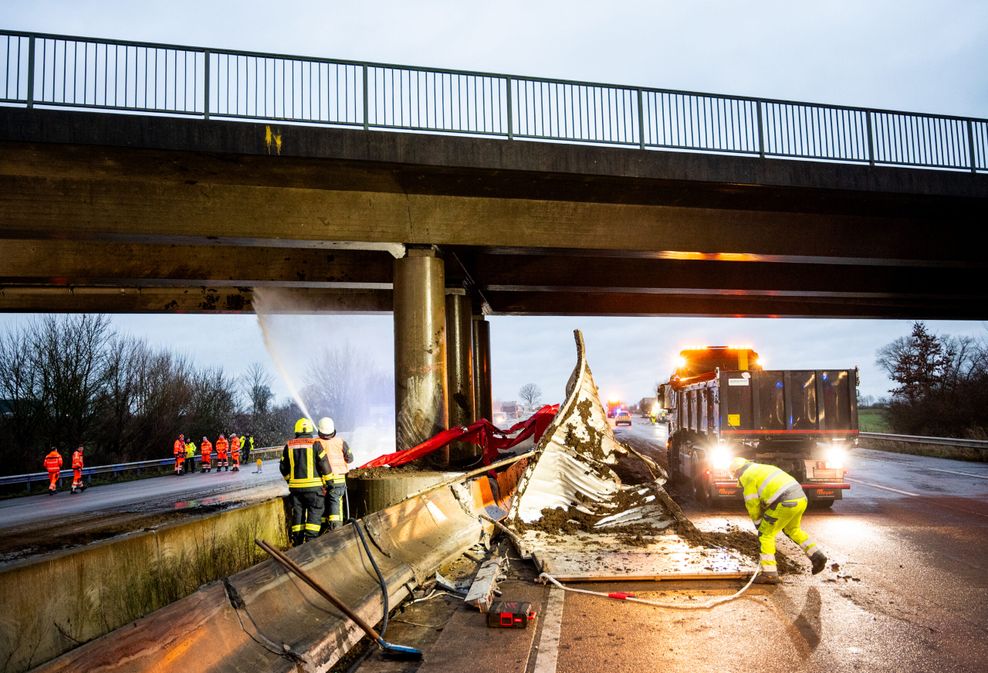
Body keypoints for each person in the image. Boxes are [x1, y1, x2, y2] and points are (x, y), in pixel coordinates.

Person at [729, 457, 828, 584]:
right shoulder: (763, 467)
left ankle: (769, 574)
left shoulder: (747, 476)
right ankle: (817, 555)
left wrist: (758, 523)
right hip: (800, 498)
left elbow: (752, 504)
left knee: (765, 535)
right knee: (792, 529)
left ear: (737, 472)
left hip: (784, 502)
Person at [280, 418, 332, 545]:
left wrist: (289, 480)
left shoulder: (289, 445)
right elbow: (324, 464)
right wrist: (329, 482)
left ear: (296, 430)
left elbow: (283, 467)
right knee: (315, 512)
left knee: (298, 514)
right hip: (314, 489)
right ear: (310, 430)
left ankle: (297, 541)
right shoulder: (315, 444)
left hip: (296, 490)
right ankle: (311, 541)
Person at [315, 417, 354, 533]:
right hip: (339, 480)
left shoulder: (316, 443)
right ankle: (336, 530)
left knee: (322, 504)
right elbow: (350, 458)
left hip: (322, 481)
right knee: (335, 503)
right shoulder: (341, 442)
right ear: (333, 430)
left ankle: (323, 530)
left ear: (319, 431)